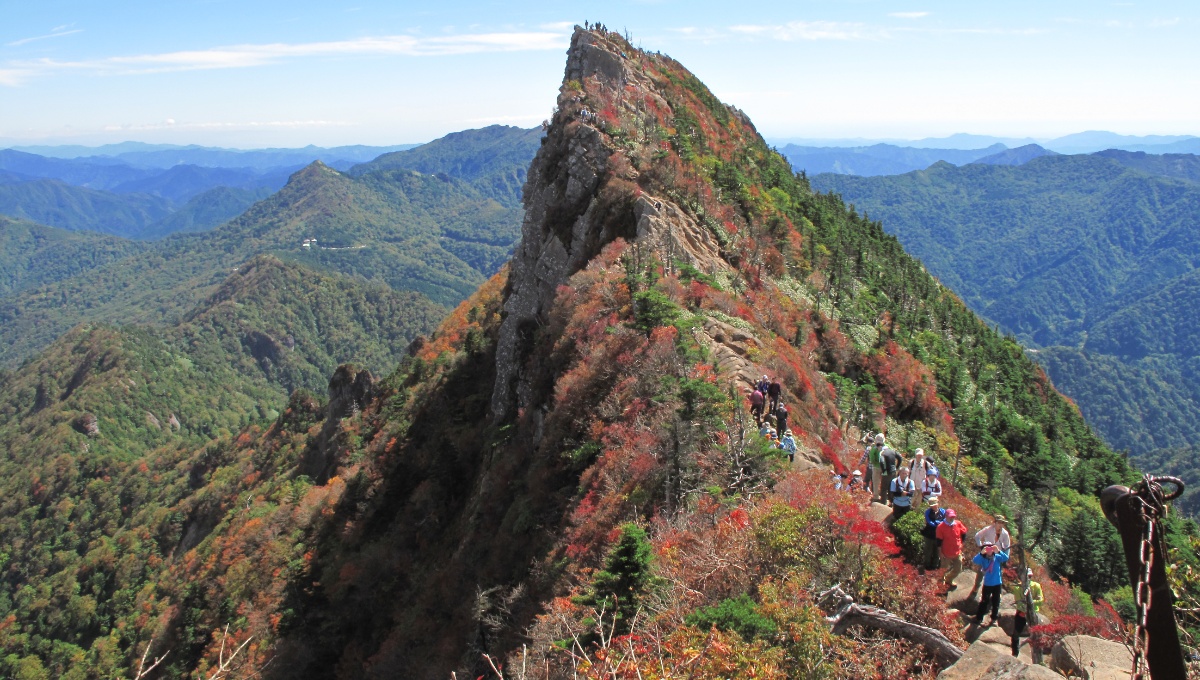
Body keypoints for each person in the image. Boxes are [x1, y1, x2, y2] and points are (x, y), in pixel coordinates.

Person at [972, 542, 1010, 626]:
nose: (989, 550)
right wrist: (981, 553)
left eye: (990, 548)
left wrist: (998, 551)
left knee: (996, 602)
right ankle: (979, 618)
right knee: (984, 601)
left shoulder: (997, 557)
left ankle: (994, 618)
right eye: (987, 549)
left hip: (997, 583)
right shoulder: (983, 558)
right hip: (988, 583)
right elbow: (974, 560)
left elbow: (1006, 558)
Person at [973, 515, 1012, 593]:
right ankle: (976, 587)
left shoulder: (1005, 533)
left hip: (996, 557)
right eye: (999, 522)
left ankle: (996, 592)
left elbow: (1007, 546)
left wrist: (1005, 558)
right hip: (986, 554)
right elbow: (977, 536)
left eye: (1002, 523)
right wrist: (981, 547)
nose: (1000, 525)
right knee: (981, 571)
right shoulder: (988, 529)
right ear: (994, 522)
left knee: (997, 574)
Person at [1010, 569, 1044, 657]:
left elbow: (1041, 601)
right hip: (1021, 613)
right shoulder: (1017, 588)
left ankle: (1038, 655)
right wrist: (1025, 610)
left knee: (1036, 635)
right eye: (1026, 577)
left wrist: (1031, 602)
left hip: (1034, 613)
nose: (1028, 578)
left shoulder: (1036, 586)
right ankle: (1015, 653)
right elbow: (1018, 602)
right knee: (1015, 634)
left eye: (1029, 576)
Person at [937, 509, 969, 588]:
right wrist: (940, 553)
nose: (952, 518)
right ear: (946, 516)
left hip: (957, 552)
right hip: (946, 553)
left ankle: (949, 579)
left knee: (958, 569)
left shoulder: (958, 523)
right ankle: (941, 583)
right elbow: (938, 542)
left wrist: (961, 543)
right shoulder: (940, 527)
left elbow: (964, 532)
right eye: (950, 517)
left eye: (953, 517)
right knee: (943, 570)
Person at [921, 497, 946, 572]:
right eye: (932, 505)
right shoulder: (928, 512)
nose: (933, 506)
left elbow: (945, 520)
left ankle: (934, 566)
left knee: (937, 551)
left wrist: (938, 523)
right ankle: (927, 565)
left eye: (935, 504)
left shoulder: (943, 511)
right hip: (929, 534)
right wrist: (937, 523)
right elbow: (929, 522)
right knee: (928, 551)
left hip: (939, 536)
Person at [857, 434, 885, 502]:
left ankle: (865, 496)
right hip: (881, 468)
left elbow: (864, 457)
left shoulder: (870, 448)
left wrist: (859, 463)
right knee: (875, 482)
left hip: (871, 467)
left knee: (866, 481)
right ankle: (874, 495)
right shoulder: (884, 448)